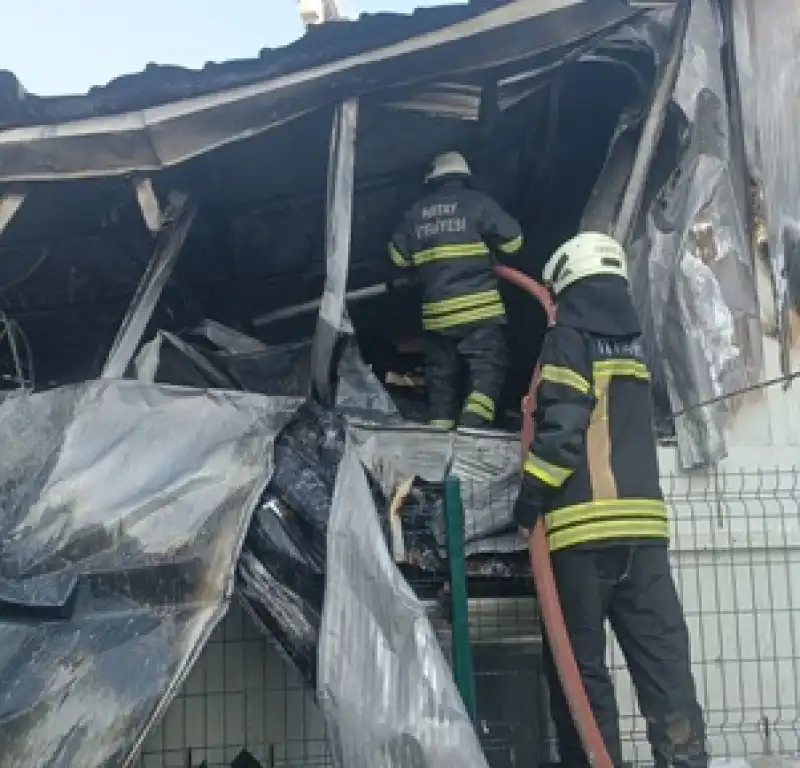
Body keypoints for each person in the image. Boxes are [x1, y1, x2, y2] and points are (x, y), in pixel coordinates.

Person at [512, 232, 708, 768]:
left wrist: (529, 500)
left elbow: (562, 429)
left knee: (580, 674)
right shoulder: (638, 346)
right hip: (644, 537)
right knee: (665, 668)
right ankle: (686, 759)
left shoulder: (569, 338)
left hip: (580, 537)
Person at [388, 151, 523, 429]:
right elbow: (514, 243)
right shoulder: (480, 204)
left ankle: (440, 435)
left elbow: (398, 258)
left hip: (438, 317)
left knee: (441, 380)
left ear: (432, 178)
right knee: (487, 372)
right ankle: (472, 431)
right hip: (480, 314)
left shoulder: (416, 213)